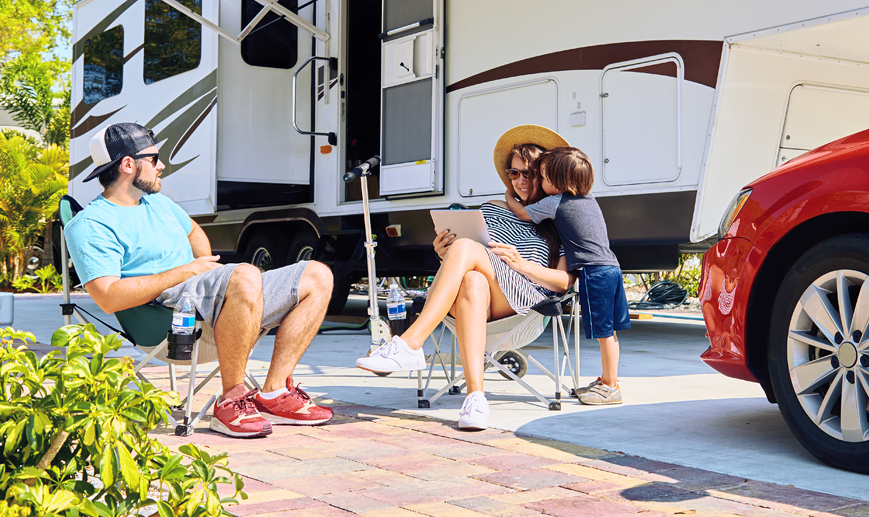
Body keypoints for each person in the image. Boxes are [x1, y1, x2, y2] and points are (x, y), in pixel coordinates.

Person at [65, 123, 335, 438]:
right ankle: (231, 401)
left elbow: (193, 231)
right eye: (154, 159)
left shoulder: (157, 202)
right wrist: (186, 272)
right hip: (167, 317)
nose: (161, 165)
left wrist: (204, 268)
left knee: (317, 274)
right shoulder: (91, 224)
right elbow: (107, 297)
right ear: (128, 165)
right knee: (245, 274)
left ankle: (274, 392)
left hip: (209, 300)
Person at [355, 125, 575, 430]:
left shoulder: (559, 220)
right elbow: (476, 254)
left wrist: (520, 264)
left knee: (466, 250)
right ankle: (475, 398)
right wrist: (443, 253)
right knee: (472, 278)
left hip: (526, 306)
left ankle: (411, 343)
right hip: (482, 297)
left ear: (543, 174)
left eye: (529, 173)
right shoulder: (493, 209)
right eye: (514, 173)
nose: (520, 181)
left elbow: (565, 282)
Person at [505, 146, 629, 405]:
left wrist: (509, 193)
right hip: (612, 268)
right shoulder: (589, 198)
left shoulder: (555, 201)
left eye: (544, 176)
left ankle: (610, 386)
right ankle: (609, 379)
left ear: (559, 182)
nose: (540, 179)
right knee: (611, 330)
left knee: (603, 331)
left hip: (593, 271)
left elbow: (521, 213)